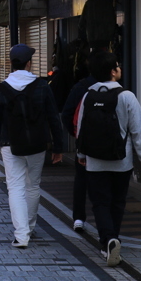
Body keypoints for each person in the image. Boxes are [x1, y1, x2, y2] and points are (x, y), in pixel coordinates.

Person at [0, 44, 64, 248]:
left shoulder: (1, 89)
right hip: (37, 144)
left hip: (10, 144)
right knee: (33, 185)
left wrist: (1, 138)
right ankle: (29, 228)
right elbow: (53, 118)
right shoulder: (42, 86)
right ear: (29, 63)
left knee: (15, 188)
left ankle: (21, 235)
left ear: (12, 64)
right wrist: (58, 147)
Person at [81, 51, 141, 266]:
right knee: (117, 202)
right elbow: (138, 130)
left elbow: (82, 128)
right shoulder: (126, 96)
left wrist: (81, 154)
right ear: (113, 71)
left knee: (100, 203)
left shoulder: (88, 96)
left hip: (94, 160)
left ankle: (108, 240)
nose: (120, 68)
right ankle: (113, 239)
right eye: (118, 65)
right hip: (121, 160)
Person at [61, 51, 97, 234]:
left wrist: (76, 134)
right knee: (105, 183)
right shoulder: (119, 90)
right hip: (111, 147)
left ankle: (79, 218)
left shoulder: (80, 87)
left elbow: (67, 114)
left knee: (81, 180)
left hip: (84, 143)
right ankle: (104, 220)